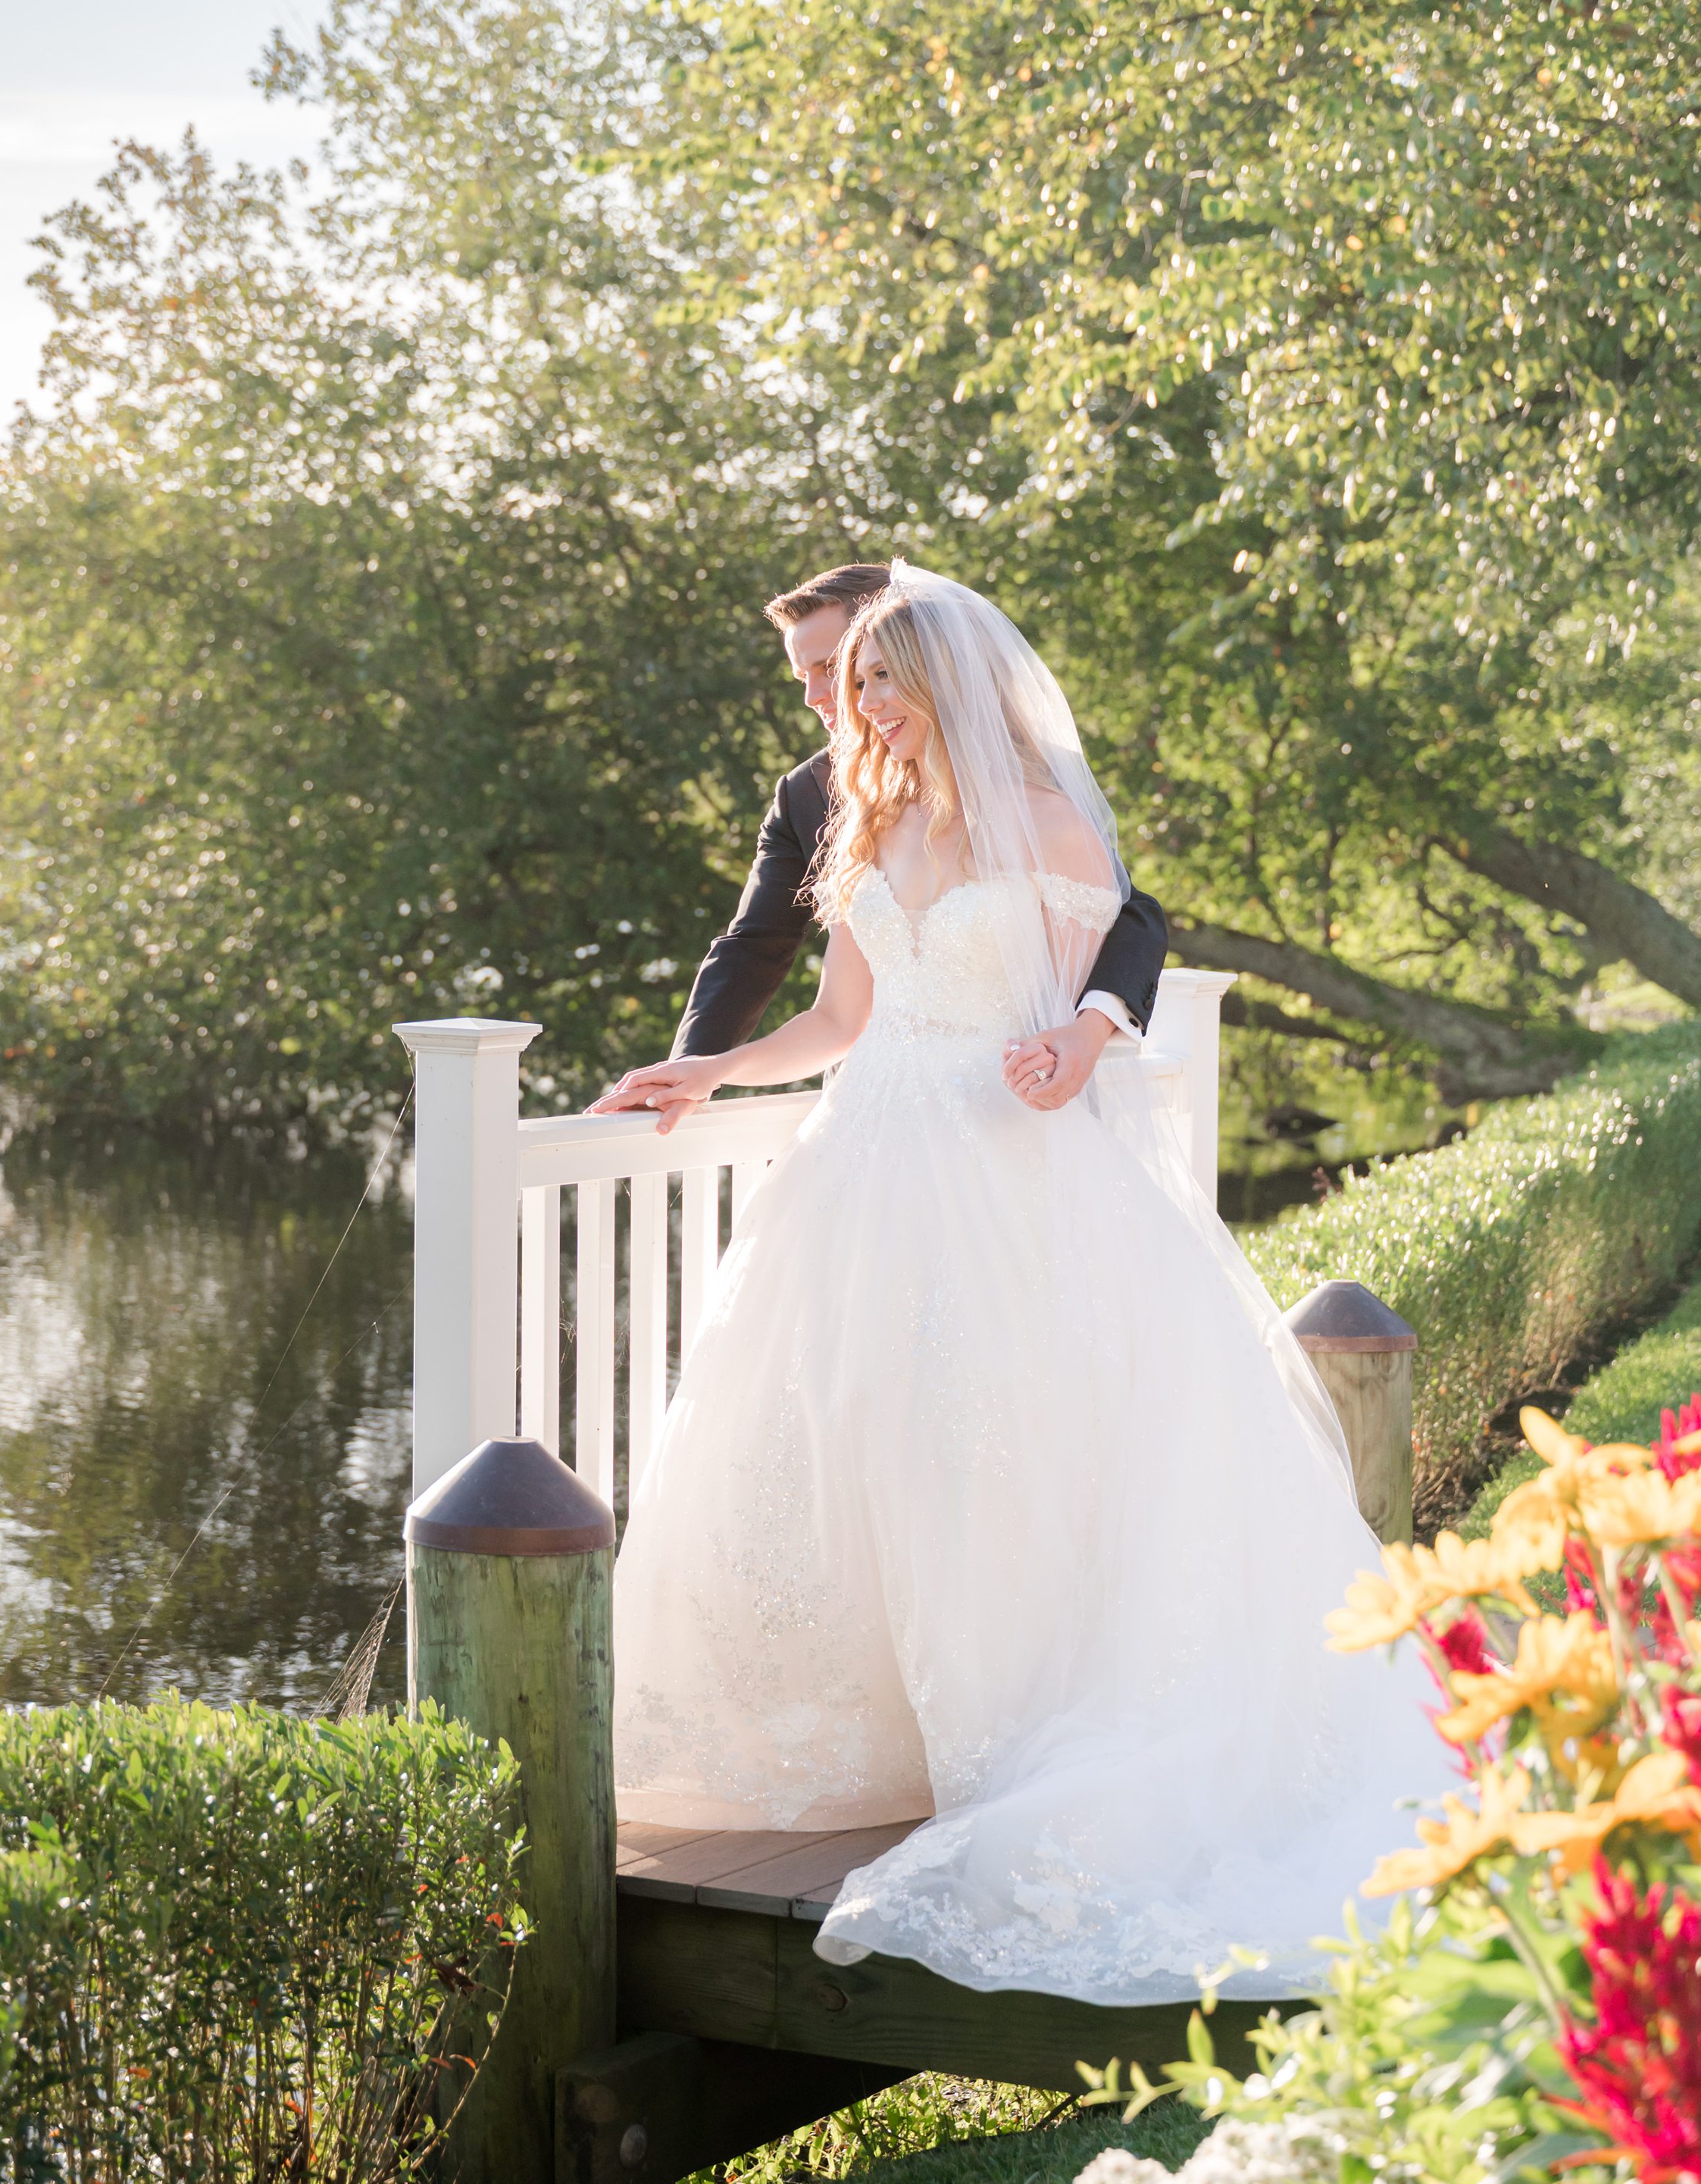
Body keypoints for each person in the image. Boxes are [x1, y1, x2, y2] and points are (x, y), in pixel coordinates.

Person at [596, 565, 1440, 2008]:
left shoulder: (1044, 818)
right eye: (853, 683)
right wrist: (715, 1067)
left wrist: (1081, 1045)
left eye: (882, 681)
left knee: (1002, 1437)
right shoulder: (860, 820)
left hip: (1008, 1173)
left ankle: (1021, 1729)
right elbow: (839, 1016)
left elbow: (1080, 995)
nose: (860, 706)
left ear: (953, 689)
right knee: (864, 1436)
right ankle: (902, 1733)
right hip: (864, 1167)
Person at [647, 562, 1169, 1116]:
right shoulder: (843, 811)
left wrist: (1087, 1033)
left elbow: (1127, 918)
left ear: (931, 662)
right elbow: (764, 957)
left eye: (839, 670)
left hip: (1003, 1118)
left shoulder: (1048, 807)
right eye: (844, 680)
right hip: (867, 1116)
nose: (827, 698)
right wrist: (698, 1069)